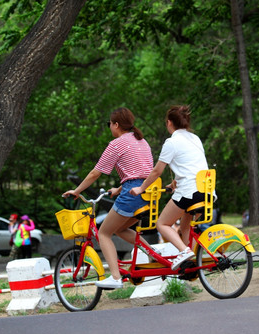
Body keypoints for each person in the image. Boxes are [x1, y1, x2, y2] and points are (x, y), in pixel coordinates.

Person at [63, 107, 154, 289]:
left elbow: (96, 173)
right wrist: (119, 189)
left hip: (131, 194)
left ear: (116, 125)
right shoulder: (141, 141)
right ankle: (153, 253)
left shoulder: (117, 144)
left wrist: (77, 190)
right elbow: (142, 174)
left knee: (104, 233)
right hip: (147, 193)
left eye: (109, 124)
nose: (110, 127)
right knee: (120, 230)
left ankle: (115, 277)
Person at [131, 105, 208, 271]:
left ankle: (184, 251)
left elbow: (157, 171)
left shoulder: (172, 142)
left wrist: (141, 189)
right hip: (206, 191)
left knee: (162, 224)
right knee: (186, 227)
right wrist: (176, 183)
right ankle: (194, 263)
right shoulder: (195, 139)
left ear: (169, 123)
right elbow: (192, 166)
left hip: (189, 192)